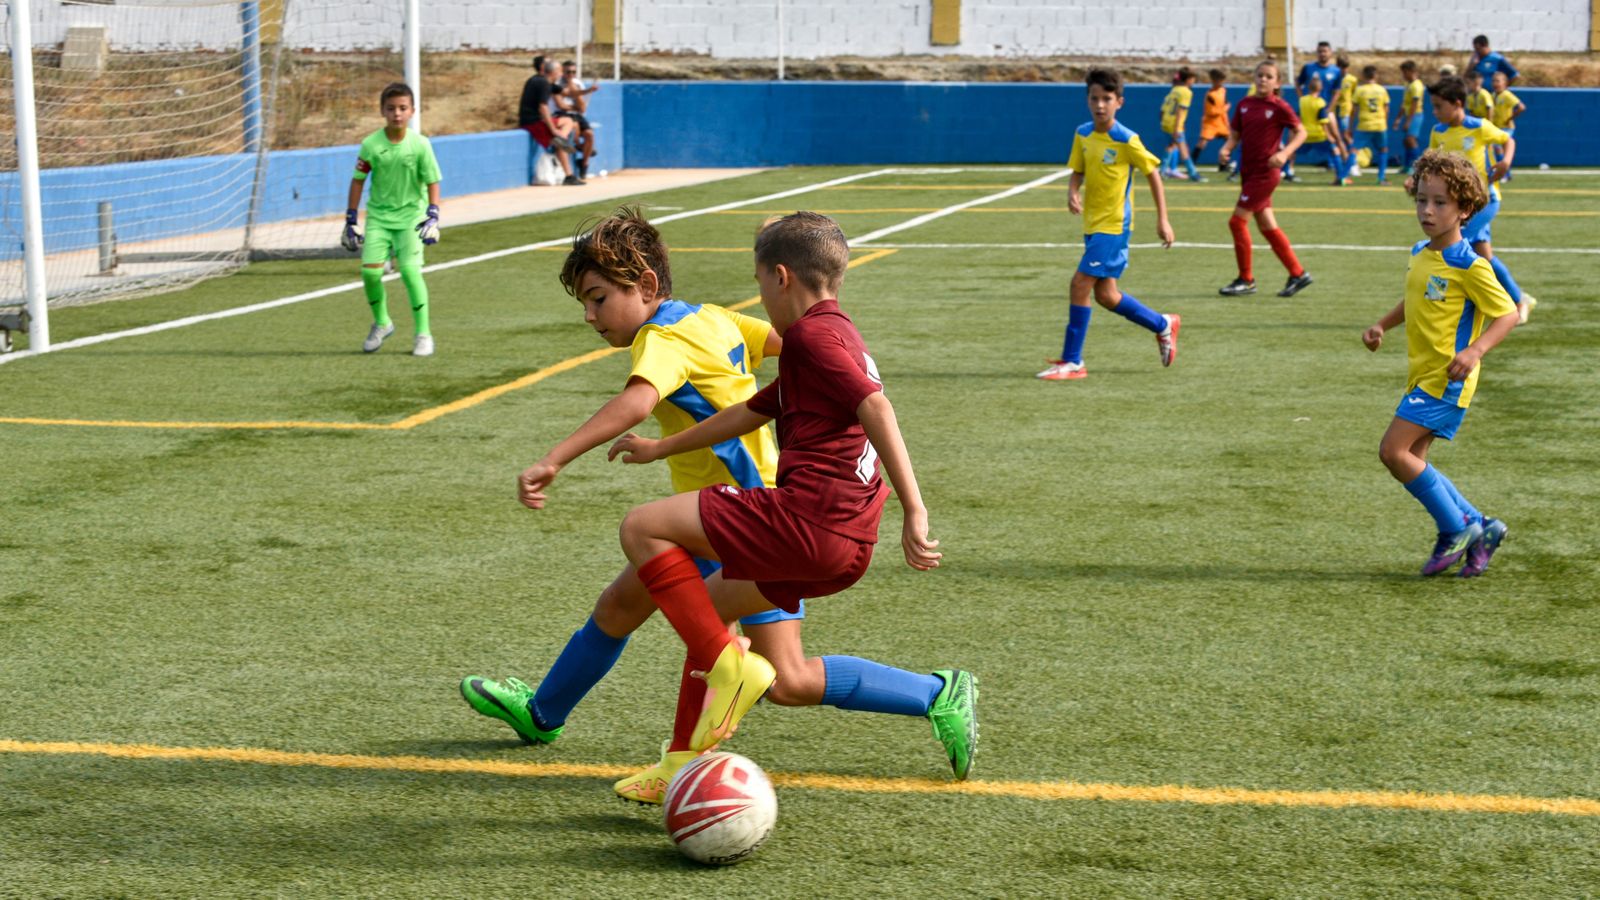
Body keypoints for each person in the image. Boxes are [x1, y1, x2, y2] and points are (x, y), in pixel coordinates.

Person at [463, 208, 978, 802]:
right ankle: (935, 695)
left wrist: (556, 457)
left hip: (761, 518)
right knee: (737, 655)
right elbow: (778, 371)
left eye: (599, 299)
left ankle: (662, 745)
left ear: (646, 288)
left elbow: (636, 401)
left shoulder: (664, 338)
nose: (589, 316)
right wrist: (667, 446)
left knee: (691, 609)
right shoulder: (717, 320)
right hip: (778, 513)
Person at [1362, 150, 1516, 576]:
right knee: (1413, 457)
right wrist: (1382, 325)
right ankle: (1482, 527)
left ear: (1465, 210)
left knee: (1393, 452)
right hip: (1423, 377)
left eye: (1440, 202)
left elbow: (1509, 314)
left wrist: (1474, 351)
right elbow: (1415, 300)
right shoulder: (1421, 251)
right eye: (1422, 200)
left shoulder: (1470, 264)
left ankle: (1455, 529)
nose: (1427, 210)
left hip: (1447, 380)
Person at [1039, 69, 1177, 381]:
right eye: (1094, 98)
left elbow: (1153, 173)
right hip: (1092, 225)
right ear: (1087, 100)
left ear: (1119, 102)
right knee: (1106, 295)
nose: (1100, 105)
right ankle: (1162, 324)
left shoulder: (1127, 139)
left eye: (1107, 99)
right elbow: (1079, 169)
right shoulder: (1083, 133)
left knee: (1079, 284)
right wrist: (1073, 191)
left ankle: (1073, 361)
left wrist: (1163, 219)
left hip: (1114, 227)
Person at [1425, 75, 1538, 324]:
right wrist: (1416, 179)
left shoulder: (1479, 126)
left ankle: (1442, 299)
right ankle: (1519, 299)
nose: (1434, 112)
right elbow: (1431, 160)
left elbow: (1508, 140)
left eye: (1438, 106)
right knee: (1484, 255)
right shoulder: (1438, 132)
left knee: (1449, 242)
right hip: (1462, 205)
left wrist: (1505, 162)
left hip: (1485, 201)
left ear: (1457, 103)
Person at [341, 82, 440, 357]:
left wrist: (433, 214)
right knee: (370, 272)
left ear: (412, 111)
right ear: (382, 111)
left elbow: (432, 180)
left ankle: (423, 334)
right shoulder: (371, 145)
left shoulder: (420, 144)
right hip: (379, 219)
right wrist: (351, 218)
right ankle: (382, 322)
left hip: (411, 218)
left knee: (410, 272)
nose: (397, 113)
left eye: (403, 108)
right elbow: (358, 180)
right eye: (391, 108)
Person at [1217, 59, 1312, 298]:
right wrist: (1226, 149)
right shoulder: (1245, 104)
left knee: (1237, 222)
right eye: (1260, 75)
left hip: (1265, 174)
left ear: (1277, 83)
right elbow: (1235, 134)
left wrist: (1284, 153)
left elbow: (1302, 132)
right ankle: (1298, 273)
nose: (1263, 80)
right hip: (1248, 172)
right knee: (1268, 227)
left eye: (1269, 76)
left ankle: (1246, 279)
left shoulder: (1279, 106)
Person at [518, 56, 583, 186]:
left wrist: (589, 90)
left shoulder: (543, 81)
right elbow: (543, 107)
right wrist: (552, 129)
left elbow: (566, 92)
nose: (562, 73)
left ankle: (561, 139)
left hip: (534, 119)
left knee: (567, 121)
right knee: (562, 131)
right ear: (553, 72)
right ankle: (568, 174)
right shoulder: (543, 83)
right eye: (560, 71)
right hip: (533, 121)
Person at [1298, 75, 1349, 185]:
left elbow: (1298, 116)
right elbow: (1323, 121)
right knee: (1335, 151)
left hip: (1305, 135)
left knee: (1291, 152)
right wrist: (1329, 135)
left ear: (1308, 87)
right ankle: (1340, 177)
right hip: (1319, 135)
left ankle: (1285, 171)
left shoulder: (1302, 100)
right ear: (1320, 88)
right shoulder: (1320, 102)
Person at [554, 60, 600, 179]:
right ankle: (579, 146)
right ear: (562, 71)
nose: (571, 75)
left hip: (576, 114)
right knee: (573, 127)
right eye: (568, 72)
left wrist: (572, 85)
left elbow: (582, 107)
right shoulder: (557, 83)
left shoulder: (577, 83)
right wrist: (575, 106)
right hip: (562, 114)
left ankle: (584, 163)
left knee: (589, 134)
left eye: (573, 72)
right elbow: (561, 105)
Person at [1159, 67, 1203, 182]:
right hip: (1174, 125)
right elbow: (1180, 110)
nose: (1194, 81)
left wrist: (1163, 121)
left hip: (1166, 121)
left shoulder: (1175, 89)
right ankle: (1193, 174)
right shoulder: (1187, 92)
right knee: (1183, 149)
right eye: (1193, 79)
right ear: (1188, 79)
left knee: (1171, 146)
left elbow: (1163, 108)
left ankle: (1162, 171)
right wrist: (1177, 128)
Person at [1349, 65, 1391, 185]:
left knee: (1354, 150)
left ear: (1363, 76)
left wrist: (1350, 127)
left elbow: (1354, 110)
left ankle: (1343, 176)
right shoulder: (1381, 90)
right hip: (1379, 124)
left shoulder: (1360, 90)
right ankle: (1381, 178)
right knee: (1383, 150)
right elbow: (1386, 108)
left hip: (1364, 124)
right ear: (1376, 75)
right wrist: (1385, 122)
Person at [1392, 60, 1427, 174]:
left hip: (1415, 115)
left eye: (1404, 72)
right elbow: (1404, 103)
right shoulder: (1408, 85)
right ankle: (1407, 166)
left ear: (1411, 71)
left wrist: (1408, 121)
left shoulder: (1417, 86)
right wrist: (1398, 118)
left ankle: (1418, 166)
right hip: (1408, 115)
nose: (1403, 75)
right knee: (1406, 141)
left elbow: (1414, 105)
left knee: (1411, 140)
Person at [1490, 70, 1524, 181]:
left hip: (1506, 127)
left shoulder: (1507, 95)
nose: (1495, 83)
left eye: (1498, 81)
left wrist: (1509, 118)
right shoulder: (1493, 95)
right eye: (1494, 81)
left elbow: (1521, 107)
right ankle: (1507, 174)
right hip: (1496, 127)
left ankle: (1504, 174)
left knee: (1499, 148)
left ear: (1505, 83)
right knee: (1498, 150)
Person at [1196, 69, 1231, 169]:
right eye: (1220, 80)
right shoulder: (1210, 95)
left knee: (1229, 142)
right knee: (1202, 143)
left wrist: (1226, 122)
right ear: (1214, 80)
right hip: (1210, 122)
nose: (1221, 83)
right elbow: (1211, 112)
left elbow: (1224, 104)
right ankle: (1192, 162)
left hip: (1221, 122)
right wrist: (1224, 109)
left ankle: (1223, 165)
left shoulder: (1223, 90)